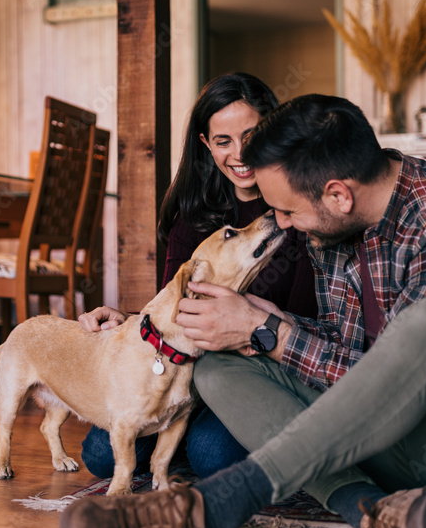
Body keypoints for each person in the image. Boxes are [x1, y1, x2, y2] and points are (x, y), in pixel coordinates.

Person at [59, 94, 426, 528]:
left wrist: (270, 332)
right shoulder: (331, 225)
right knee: (218, 358)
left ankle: (214, 508)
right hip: (379, 444)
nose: (282, 224)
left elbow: (395, 386)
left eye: (286, 211)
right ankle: (372, 509)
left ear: (338, 194)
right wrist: (259, 323)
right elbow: (351, 355)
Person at [78, 72, 317, 480]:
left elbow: (306, 322)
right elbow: (175, 303)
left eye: (252, 134)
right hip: (182, 368)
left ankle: (188, 438)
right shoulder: (194, 216)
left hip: (256, 369)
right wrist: (127, 320)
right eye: (223, 141)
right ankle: (178, 433)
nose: (240, 154)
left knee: (211, 454)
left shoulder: (298, 211)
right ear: (206, 145)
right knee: (101, 453)